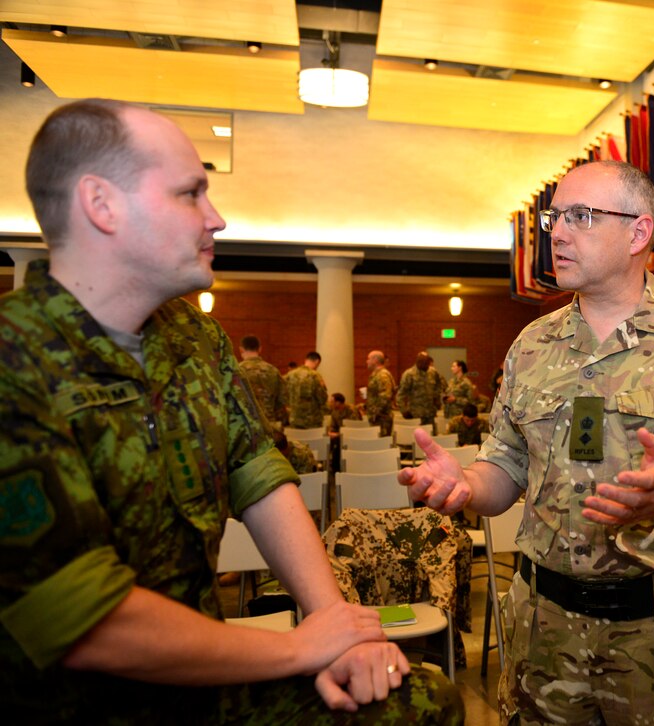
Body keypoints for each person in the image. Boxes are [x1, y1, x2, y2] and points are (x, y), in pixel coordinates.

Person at [0, 98, 462, 723]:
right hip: (68, 703)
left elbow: (260, 477)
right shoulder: (15, 361)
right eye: (190, 194)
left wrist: (335, 625)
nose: (215, 217)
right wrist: (299, 648)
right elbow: (87, 622)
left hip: (200, 675)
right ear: (101, 204)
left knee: (420, 701)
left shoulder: (196, 339)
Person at [400, 160, 654, 725]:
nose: (557, 233)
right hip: (544, 637)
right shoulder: (532, 346)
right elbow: (506, 471)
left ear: (638, 232)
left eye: (581, 216)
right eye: (554, 217)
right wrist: (465, 484)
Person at [238, 334, 288, 429]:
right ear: (260, 349)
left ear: (241, 349)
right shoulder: (273, 370)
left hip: (244, 428)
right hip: (270, 427)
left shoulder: (236, 371)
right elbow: (282, 402)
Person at [397, 352, 444, 426]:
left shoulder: (433, 372)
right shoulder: (409, 374)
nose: (426, 366)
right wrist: (404, 411)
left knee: (431, 435)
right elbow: (401, 395)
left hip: (431, 414)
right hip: (415, 414)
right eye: (424, 364)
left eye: (427, 364)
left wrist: (436, 397)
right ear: (418, 362)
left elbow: (439, 385)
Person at [286, 350, 328, 429]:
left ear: (306, 360)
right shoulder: (315, 375)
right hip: (312, 421)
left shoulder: (290, 374)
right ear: (317, 361)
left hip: (294, 419)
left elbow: (283, 395)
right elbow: (322, 398)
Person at [364, 350, 396, 437]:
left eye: (368, 359)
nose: (367, 361)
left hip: (381, 419)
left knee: (381, 444)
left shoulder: (382, 375)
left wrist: (375, 413)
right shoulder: (376, 374)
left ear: (375, 360)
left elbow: (385, 396)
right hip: (377, 418)